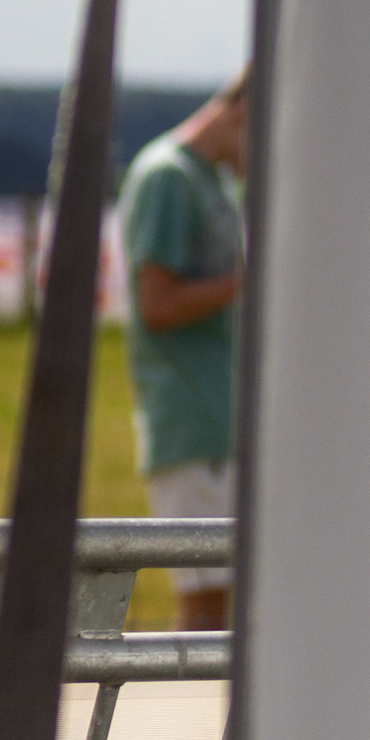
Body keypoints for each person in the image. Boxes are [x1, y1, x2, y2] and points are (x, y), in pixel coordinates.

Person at [118, 69, 249, 631]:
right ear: (243, 111)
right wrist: (248, 279)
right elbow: (158, 304)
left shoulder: (212, 179)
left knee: (228, 603)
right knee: (205, 606)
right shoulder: (167, 176)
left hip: (222, 420)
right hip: (190, 420)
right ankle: (186, 721)